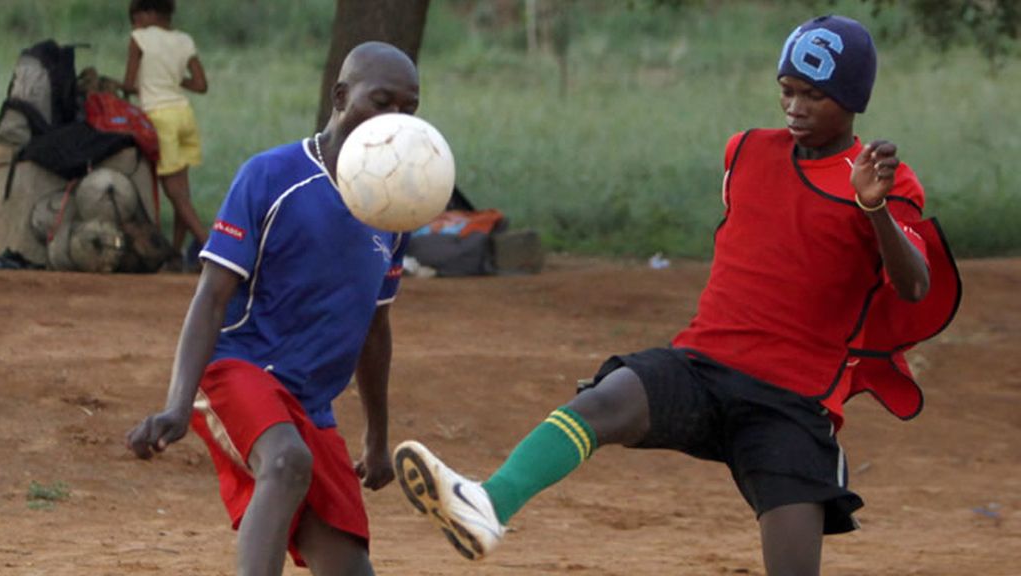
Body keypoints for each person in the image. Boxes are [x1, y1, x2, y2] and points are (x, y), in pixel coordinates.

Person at [393, 15, 961, 575]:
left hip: (790, 402)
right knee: (603, 402)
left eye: (813, 95)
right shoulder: (745, 153)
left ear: (853, 99)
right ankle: (490, 505)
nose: (795, 107)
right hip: (702, 366)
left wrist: (873, 208)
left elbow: (914, 286)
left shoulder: (881, 181)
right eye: (787, 90)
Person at [126, 41, 420, 576]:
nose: (395, 119)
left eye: (409, 108)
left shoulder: (395, 208)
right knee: (286, 462)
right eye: (381, 102)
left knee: (349, 567)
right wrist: (177, 404)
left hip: (312, 403)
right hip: (239, 368)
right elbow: (211, 296)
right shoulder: (272, 176)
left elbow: (375, 327)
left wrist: (377, 437)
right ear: (340, 97)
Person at [122, 0, 209, 271]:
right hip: (184, 115)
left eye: (135, 18)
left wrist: (141, 85)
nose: (135, 25)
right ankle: (175, 255)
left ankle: (211, 248)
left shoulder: (139, 38)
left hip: (160, 118)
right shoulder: (184, 40)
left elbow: (128, 85)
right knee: (183, 193)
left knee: (174, 194)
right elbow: (200, 85)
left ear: (147, 13)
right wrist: (173, 80)